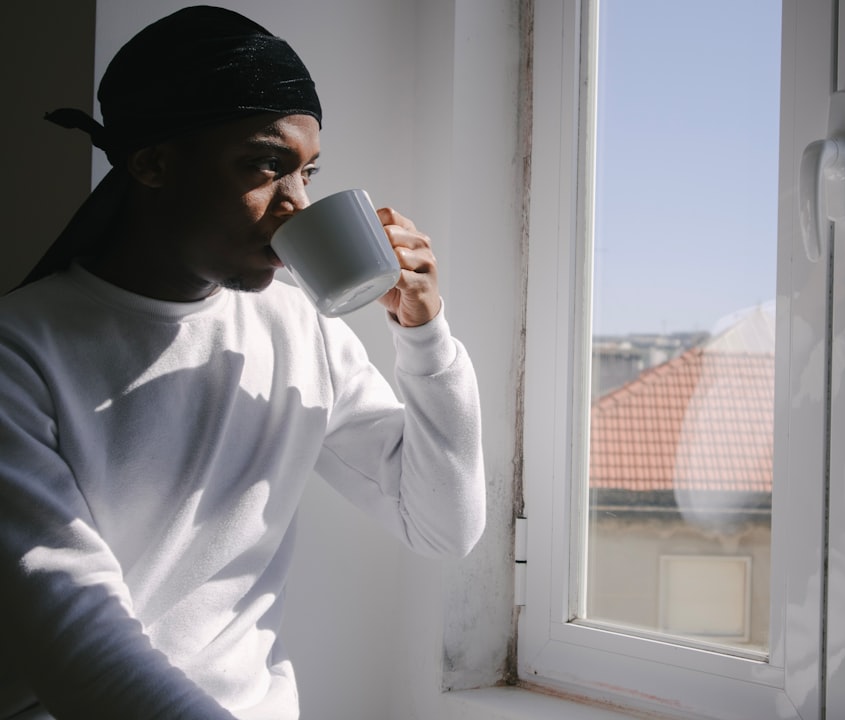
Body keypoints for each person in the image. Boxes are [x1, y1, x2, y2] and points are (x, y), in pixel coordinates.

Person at [0, 6, 485, 719]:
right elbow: (79, 641)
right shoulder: (21, 350)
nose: (298, 205)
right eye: (265, 165)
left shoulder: (298, 327)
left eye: (310, 172)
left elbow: (444, 524)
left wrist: (425, 333)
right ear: (153, 161)